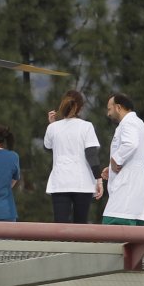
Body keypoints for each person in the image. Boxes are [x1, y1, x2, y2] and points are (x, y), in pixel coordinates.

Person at [44, 90, 103, 223]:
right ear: (80, 108)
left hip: (60, 182)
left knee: (60, 227)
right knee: (80, 227)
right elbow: (91, 155)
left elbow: (48, 146)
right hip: (82, 182)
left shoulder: (53, 128)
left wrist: (52, 124)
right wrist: (99, 180)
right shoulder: (86, 126)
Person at [101, 93, 144, 225]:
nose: (108, 114)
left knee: (109, 229)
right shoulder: (138, 123)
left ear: (118, 107)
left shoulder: (129, 123)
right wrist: (111, 168)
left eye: (109, 109)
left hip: (127, 188)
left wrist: (115, 160)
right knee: (132, 237)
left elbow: (130, 144)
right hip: (137, 186)